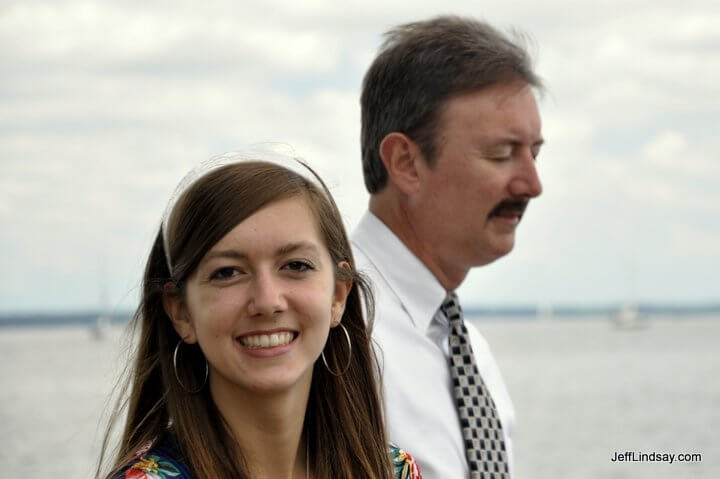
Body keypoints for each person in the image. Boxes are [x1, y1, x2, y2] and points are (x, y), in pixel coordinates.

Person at [97, 152, 422, 479]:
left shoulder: (393, 471)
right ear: (181, 312)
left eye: (296, 265)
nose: (267, 301)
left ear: (338, 295)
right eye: (227, 272)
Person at [352, 16, 544, 478]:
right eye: (501, 154)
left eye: (534, 153)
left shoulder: (468, 350)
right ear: (405, 162)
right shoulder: (326, 329)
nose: (532, 184)